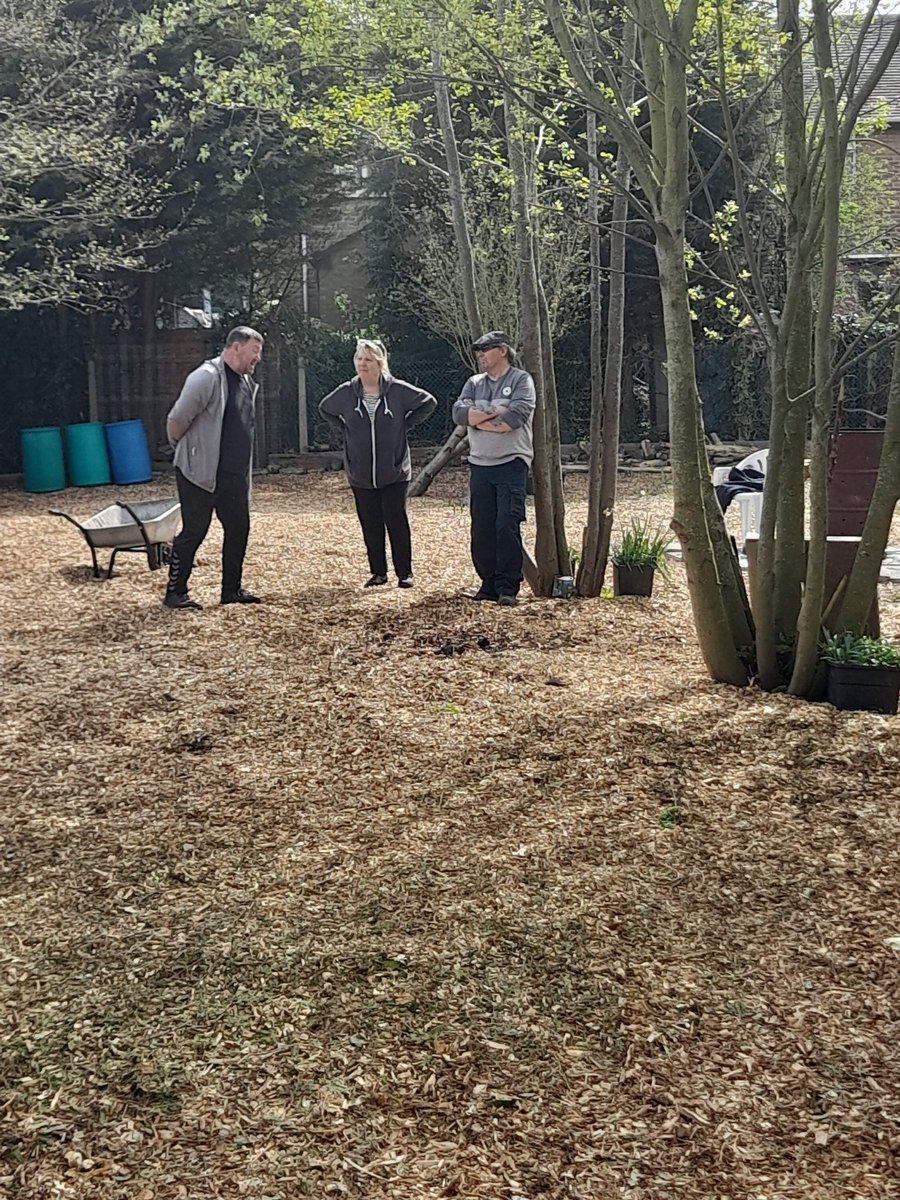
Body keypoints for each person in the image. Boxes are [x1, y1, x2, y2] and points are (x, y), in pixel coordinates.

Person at [319, 338, 436, 589]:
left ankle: (405, 573)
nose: (363, 364)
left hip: (394, 470)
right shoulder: (347, 392)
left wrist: (405, 424)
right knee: (370, 522)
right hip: (360, 471)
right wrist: (345, 429)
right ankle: (378, 572)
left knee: (396, 520)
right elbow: (325, 408)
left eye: (368, 359)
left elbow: (429, 402)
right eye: (359, 359)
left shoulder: (396, 390)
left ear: (379, 363)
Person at [162, 326, 264, 610]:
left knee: (238, 528)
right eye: (254, 351)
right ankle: (175, 592)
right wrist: (188, 451)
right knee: (195, 530)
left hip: (233, 476)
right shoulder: (206, 377)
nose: (258, 358)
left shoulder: (245, 381)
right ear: (236, 347)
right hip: (200, 472)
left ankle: (231, 590)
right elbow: (177, 418)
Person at [451, 330, 535, 607]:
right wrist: (494, 413)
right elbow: (459, 414)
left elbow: (514, 418)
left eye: (486, 350)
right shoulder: (474, 383)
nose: (481, 356)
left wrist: (478, 418)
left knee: (506, 525)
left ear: (502, 351)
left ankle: (508, 587)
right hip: (479, 465)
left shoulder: (521, 381)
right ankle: (487, 585)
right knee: (482, 527)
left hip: (512, 463)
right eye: (479, 351)